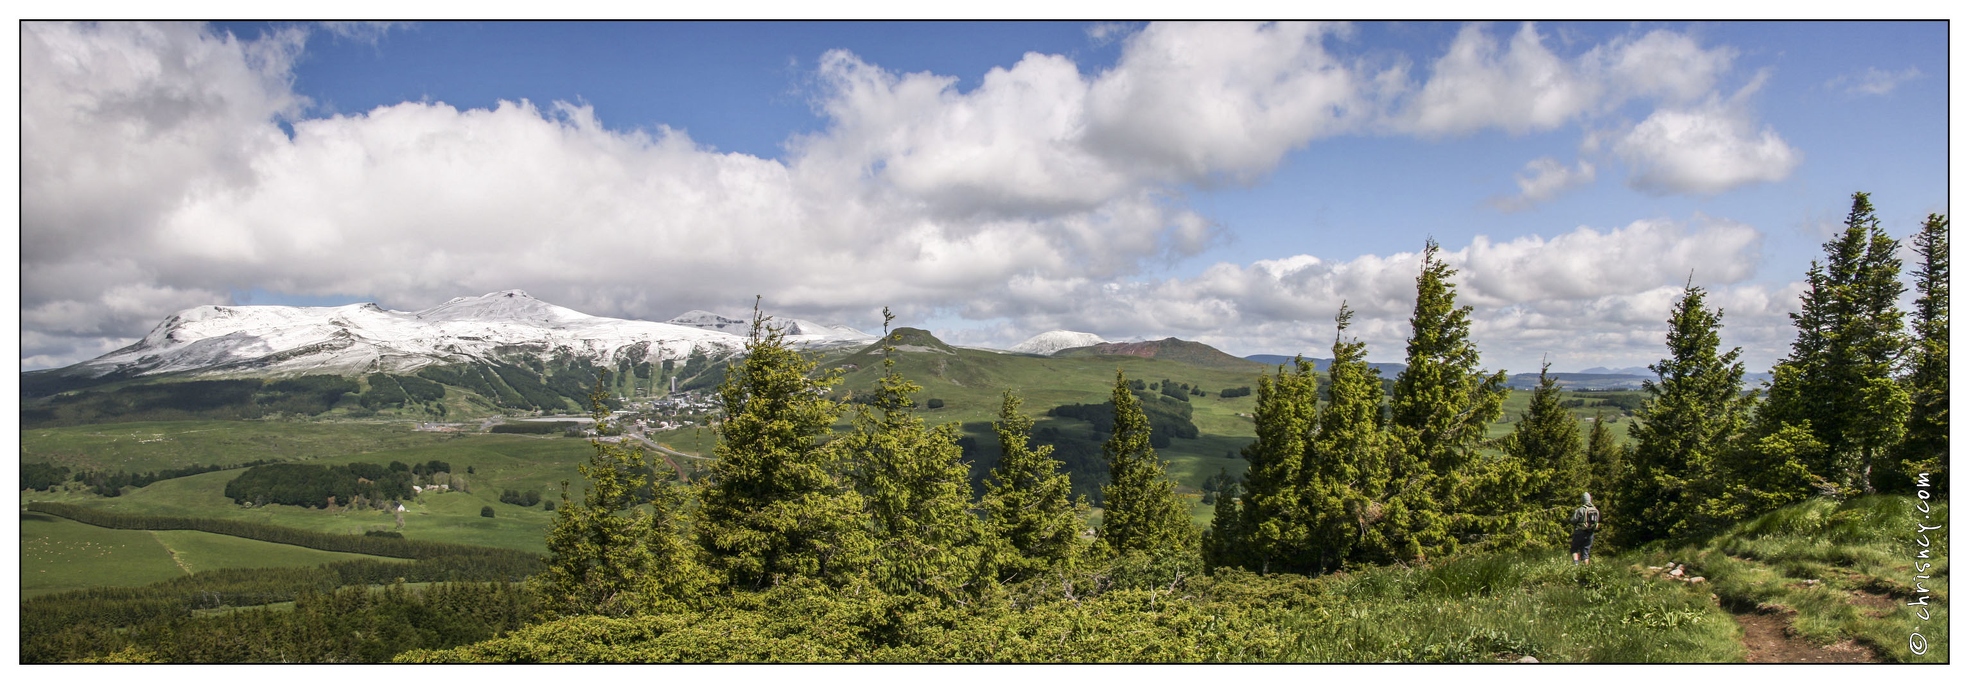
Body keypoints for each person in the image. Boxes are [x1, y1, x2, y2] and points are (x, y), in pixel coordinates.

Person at [1570, 492, 1600, 564]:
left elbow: (1573, 520)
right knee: (1585, 553)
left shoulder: (1580, 509)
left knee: (1574, 549)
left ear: (1582, 500)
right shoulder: (1595, 510)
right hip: (1590, 533)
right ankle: (1586, 570)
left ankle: (1576, 565)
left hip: (1580, 532)